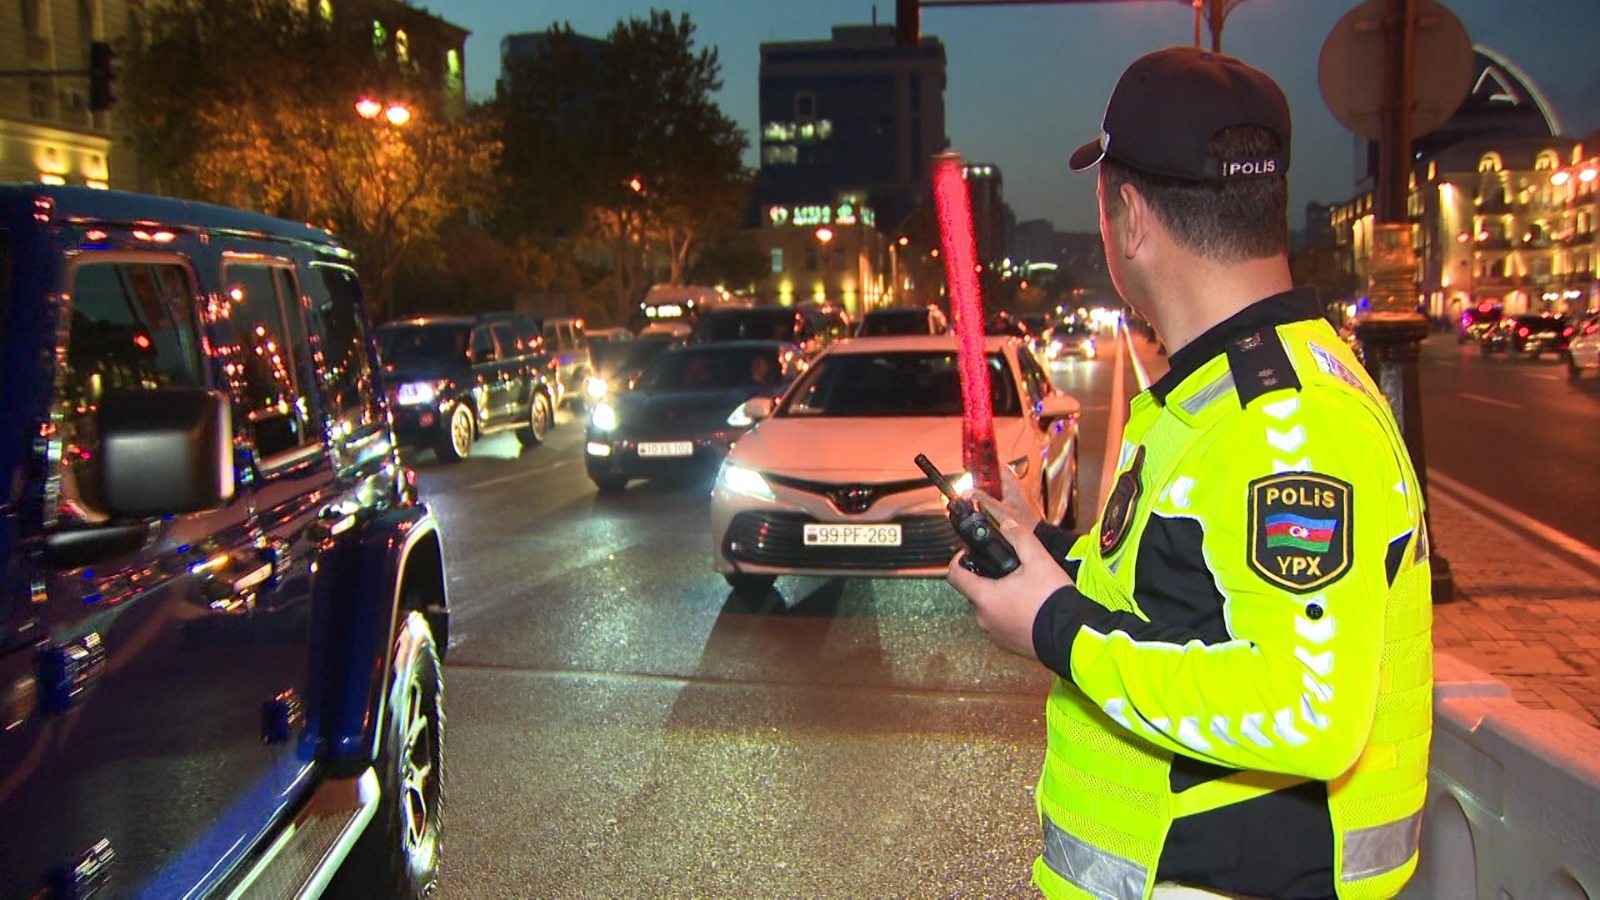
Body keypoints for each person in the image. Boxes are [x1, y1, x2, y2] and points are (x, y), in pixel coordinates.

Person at [945, 46, 1433, 900]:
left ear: (1129, 218)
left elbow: (1309, 713)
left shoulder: (1286, 425)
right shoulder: (1227, 395)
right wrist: (1043, 548)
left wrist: (1052, 625)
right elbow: (1187, 594)